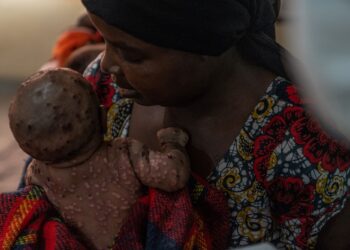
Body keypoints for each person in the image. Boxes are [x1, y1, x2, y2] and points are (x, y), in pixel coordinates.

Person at [77, 0, 350, 249]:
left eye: (132, 55)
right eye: (105, 41)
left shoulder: (306, 146)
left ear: (207, 44)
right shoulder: (100, 93)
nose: (106, 63)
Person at [7, 68, 192, 249]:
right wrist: (173, 143)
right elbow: (174, 176)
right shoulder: (124, 154)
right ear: (104, 118)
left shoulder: (37, 173)